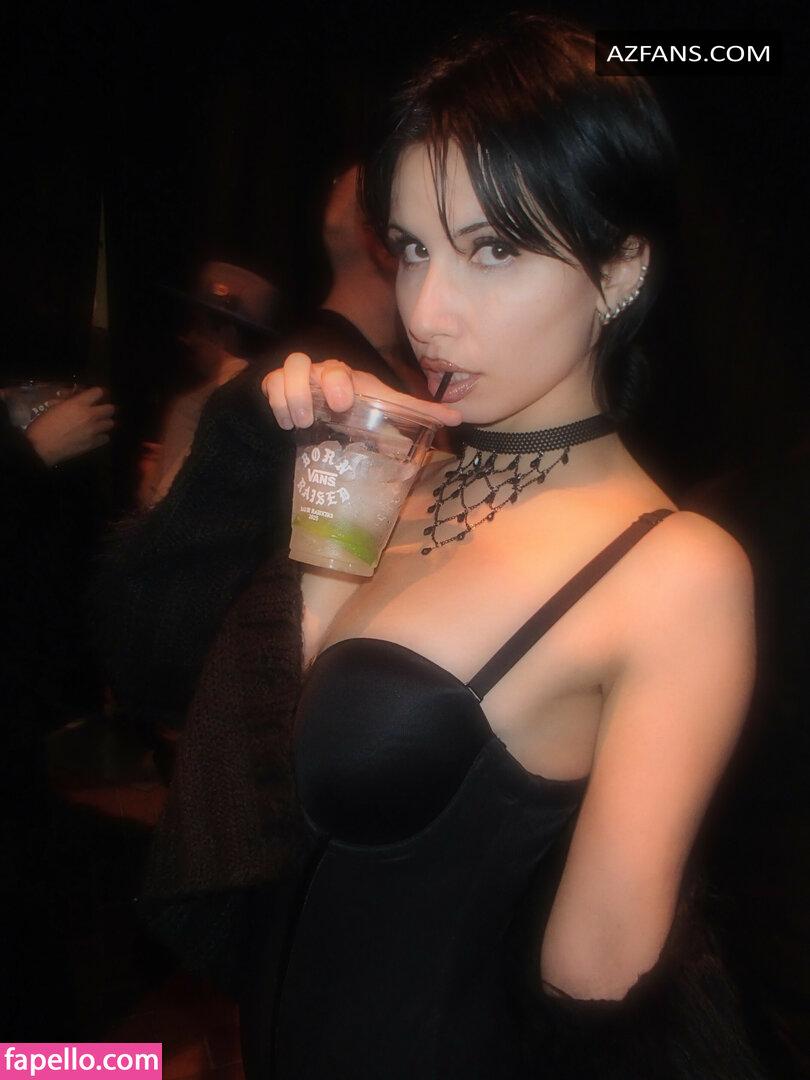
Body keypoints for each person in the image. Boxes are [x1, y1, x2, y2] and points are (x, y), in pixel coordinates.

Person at [259, 14, 764, 1079]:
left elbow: (597, 983)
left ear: (621, 269)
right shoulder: (394, 471)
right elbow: (274, 783)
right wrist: (323, 479)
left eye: (493, 249)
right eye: (411, 249)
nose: (429, 313)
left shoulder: (675, 571)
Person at [138, 260, 282, 507]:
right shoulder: (272, 396)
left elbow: (163, 508)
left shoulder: (194, 404)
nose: (188, 338)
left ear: (225, 334)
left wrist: (150, 475)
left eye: (199, 328)